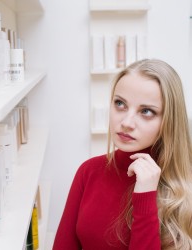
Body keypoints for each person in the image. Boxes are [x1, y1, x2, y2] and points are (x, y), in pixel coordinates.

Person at [52, 59, 192, 250]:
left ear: (169, 120)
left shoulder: (186, 189)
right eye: (120, 103)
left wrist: (146, 195)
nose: (126, 122)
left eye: (147, 111)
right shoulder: (89, 171)